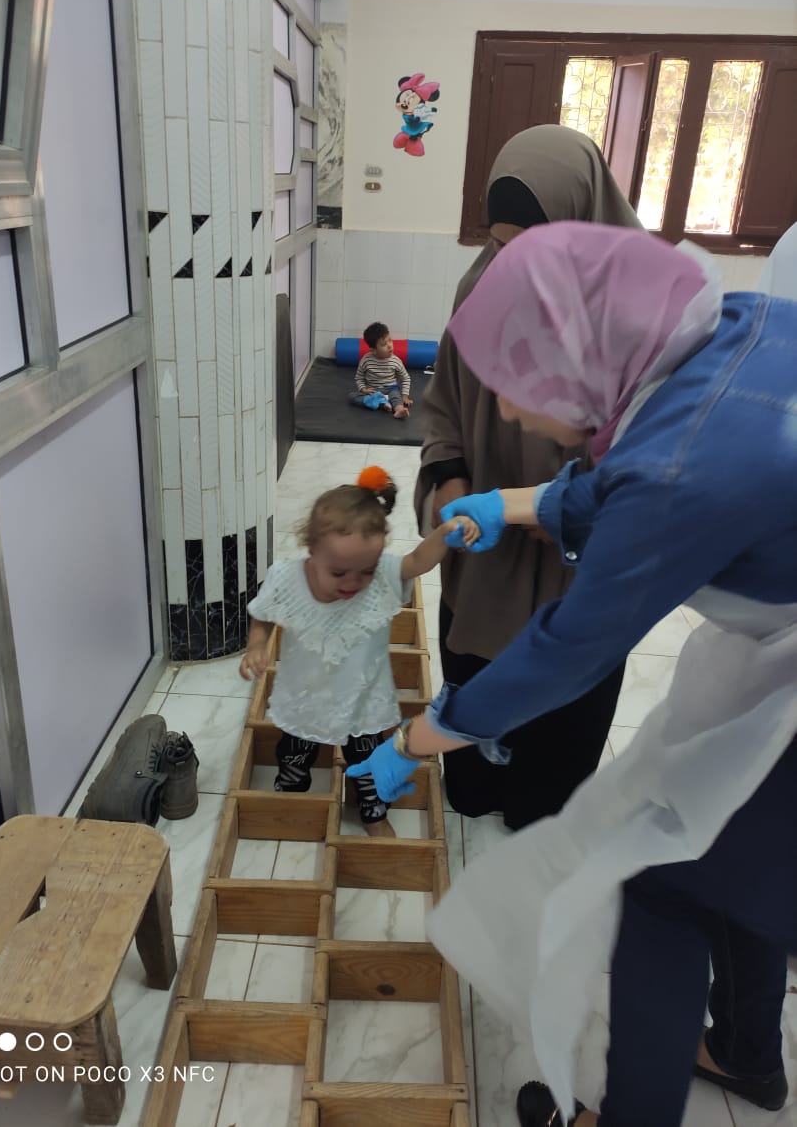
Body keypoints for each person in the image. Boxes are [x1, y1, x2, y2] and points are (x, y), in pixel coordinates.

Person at [346, 221, 797, 1127]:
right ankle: (748, 1054)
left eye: (520, 390)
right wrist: (510, 505)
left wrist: (416, 740)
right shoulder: (728, 328)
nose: (512, 417)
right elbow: (627, 472)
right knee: (726, 858)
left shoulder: (680, 469)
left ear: (583, 365)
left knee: (661, 880)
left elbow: (567, 648)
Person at [414, 124, 639, 829]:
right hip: (488, 552)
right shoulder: (481, 283)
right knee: (471, 784)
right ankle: (481, 772)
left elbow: (651, 448)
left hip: (577, 559)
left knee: (546, 794)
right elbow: (445, 403)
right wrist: (449, 478)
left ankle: (544, 793)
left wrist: (569, 509)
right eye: (501, 244)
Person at [240, 466, 477, 838]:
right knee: (295, 751)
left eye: (366, 570)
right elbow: (262, 614)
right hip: (306, 694)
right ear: (311, 550)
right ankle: (292, 793)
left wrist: (446, 532)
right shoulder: (286, 578)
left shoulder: (382, 575)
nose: (353, 582)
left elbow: (417, 561)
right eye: (338, 573)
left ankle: (373, 813)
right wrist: (256, 645)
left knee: (369, 762)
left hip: (361, 699)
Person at [349, 322, 413, 419]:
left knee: (396, 396)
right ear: (373, 350)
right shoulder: (366, 360)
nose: (389, 345)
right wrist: (363, 389)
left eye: (390, 340)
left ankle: (399, 410)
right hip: (373, 392)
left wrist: (405, 395)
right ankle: (382, 404)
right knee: (352, 396)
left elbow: (406, 378)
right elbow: (359, 377)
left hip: (390, 389)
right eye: (384, 344)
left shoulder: (395, 361)